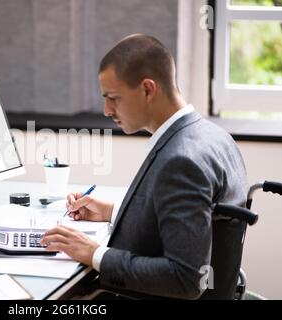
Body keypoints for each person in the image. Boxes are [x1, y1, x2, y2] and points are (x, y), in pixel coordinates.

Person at [40, 34, 248, 300]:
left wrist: (95, 254)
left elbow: (185, 278)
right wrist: (113, 212)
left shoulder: (181, 161)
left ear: (148, 89)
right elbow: (188, 224)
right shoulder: (212, 136)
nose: (106, 109)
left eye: (113, 98)